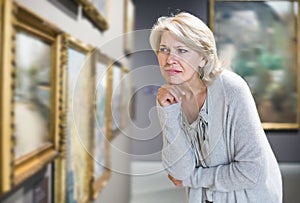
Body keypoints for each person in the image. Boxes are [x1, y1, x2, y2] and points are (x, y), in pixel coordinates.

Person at [149, 11, 282, 202]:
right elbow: (179, 170)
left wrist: (193, 178)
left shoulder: (232, 89)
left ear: (203, 58)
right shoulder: (169, 98)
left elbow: (254, 172)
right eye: (164, 49)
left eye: (182, 50)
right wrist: (168, 114)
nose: (169, 59)